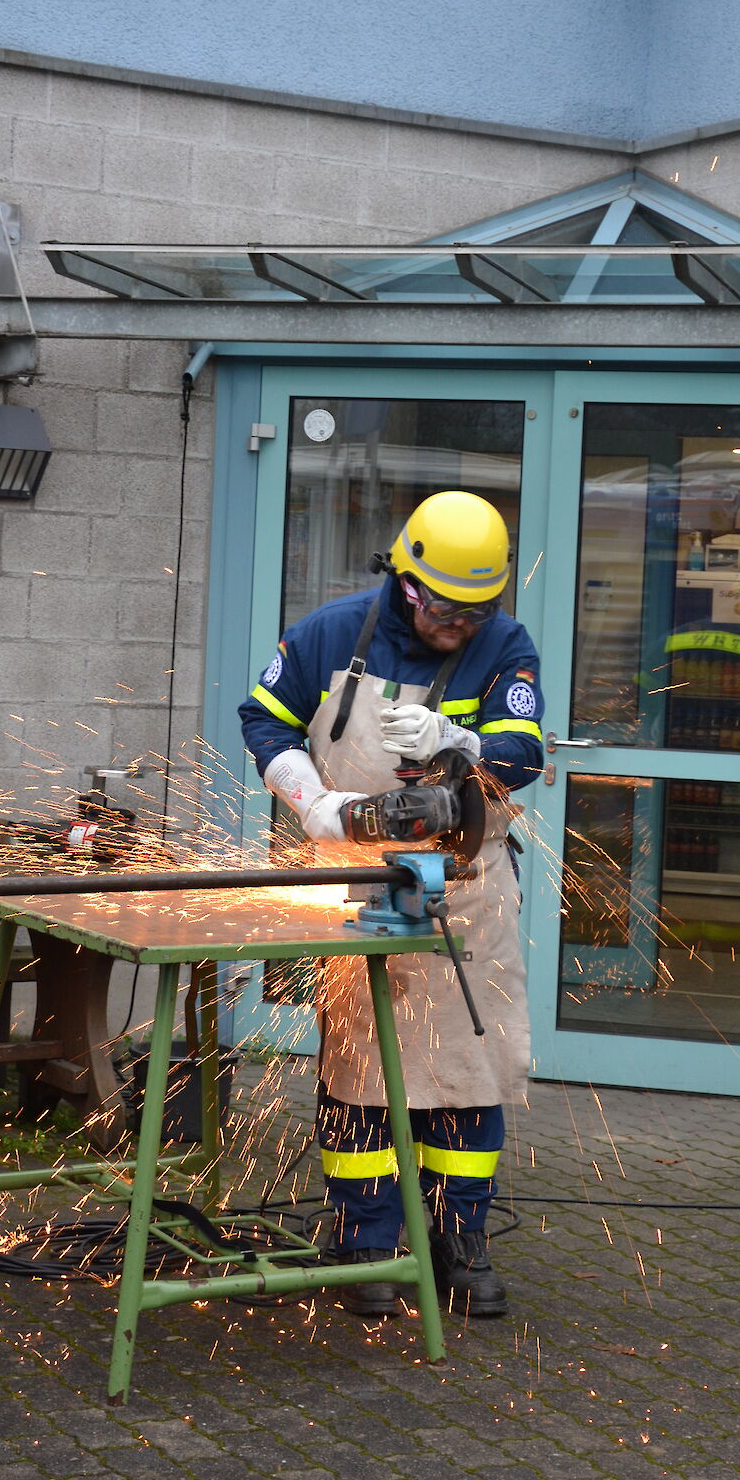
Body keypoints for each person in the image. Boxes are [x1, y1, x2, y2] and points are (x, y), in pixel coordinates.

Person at [238, 491, 543, 1317]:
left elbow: (524, 752)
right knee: (360, 1075)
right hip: (356, 880)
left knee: (467, 1077)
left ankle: (459, 1240)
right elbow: (264, 719)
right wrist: (311, 802)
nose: (459, 624)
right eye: (443, 605)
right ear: (404, 580)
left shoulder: (505, 645)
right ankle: (364, 1240)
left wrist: (463, 745)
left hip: (467, 891)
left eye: (476, 608)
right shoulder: (330, 633)